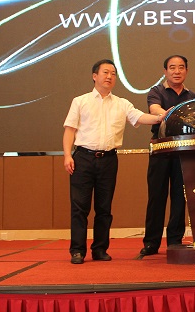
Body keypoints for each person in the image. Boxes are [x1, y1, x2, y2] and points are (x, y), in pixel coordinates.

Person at [63, 59, 165, 264]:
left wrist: (161, 116)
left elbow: (140, 117)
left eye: (113, 73)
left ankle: (100, 249)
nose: (110, 76)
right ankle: (77, 251)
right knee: (80, 207)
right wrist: (67, 155)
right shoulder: (80, 101)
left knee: (104, 208)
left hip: (108, 159)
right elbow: (70, 130)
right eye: (105, 72)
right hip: (82, 158)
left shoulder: (122, 103)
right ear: (94, 76)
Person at [140, 55, 195, 256]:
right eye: (172, 68)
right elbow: (154, 109)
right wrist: (166, 113)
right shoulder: (156, 91)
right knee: (156, 195)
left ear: (186, 71)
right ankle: (151, 242)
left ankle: (175, 240)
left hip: (182, 151)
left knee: (179, 197)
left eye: (181, 67)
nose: (177, 71)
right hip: (161, 149)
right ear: (165, 71)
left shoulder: (192, 96)